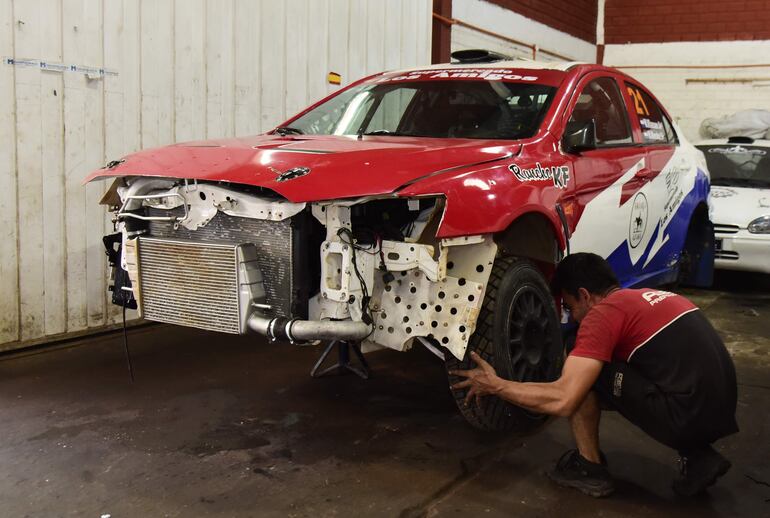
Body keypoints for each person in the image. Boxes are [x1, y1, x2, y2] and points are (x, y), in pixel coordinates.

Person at [450, 253, 738, 498]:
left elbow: (563, 399)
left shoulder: (603, 314)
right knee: (607, 363)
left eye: (570, 306)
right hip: (720, 411)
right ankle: (700, 457)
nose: (572, 316)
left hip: (685, 413)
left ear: (585, 295)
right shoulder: (652, 297)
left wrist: (498, 385)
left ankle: (590, 468)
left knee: (581, 359)